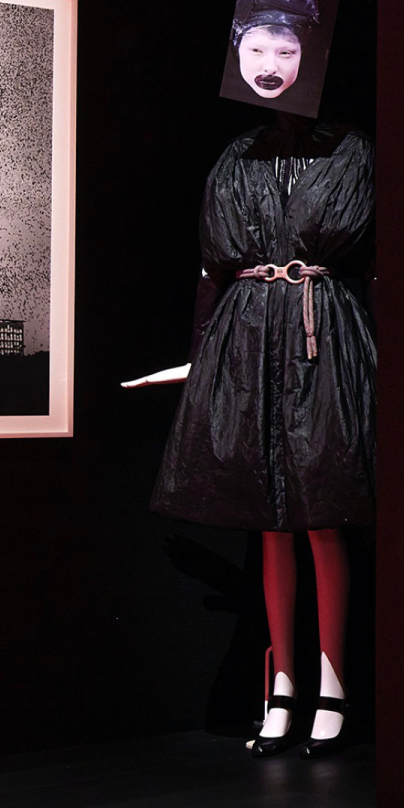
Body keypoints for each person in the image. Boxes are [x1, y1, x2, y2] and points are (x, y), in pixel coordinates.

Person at [124, 67, 375, 757]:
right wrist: (200, 356)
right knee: (269, 521)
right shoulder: (238, 156)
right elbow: (212, 269)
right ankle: (284, 686)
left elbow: (374, 257)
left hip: (321, 332)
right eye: (257, 46)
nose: (272, 65)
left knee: (322, 513)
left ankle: (332, 686)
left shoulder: (352, 150)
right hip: (250, 335)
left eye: (286, 48)